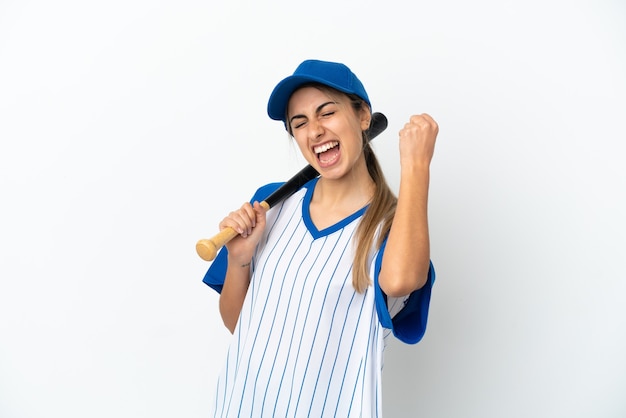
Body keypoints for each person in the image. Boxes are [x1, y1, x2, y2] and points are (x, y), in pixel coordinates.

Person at [202, 59, 438, 417]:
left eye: (326, 113)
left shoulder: (393, 226)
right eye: (299, 123)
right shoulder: (273, 205)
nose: (314, 131)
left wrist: (417, 167)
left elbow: (402, 278)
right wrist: (239, 260)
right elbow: (241, 324)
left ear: (363, 117)